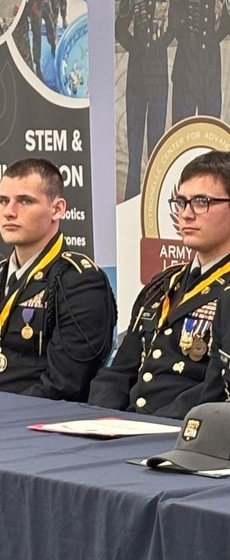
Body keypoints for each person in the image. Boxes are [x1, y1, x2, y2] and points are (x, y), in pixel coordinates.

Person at [88, 150, 230, 418]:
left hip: (185, 434)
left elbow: (217, 389)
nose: (186, 214)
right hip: (130, 429)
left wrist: (153, 424)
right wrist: (99, 417)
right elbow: (119, 371)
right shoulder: (164, 284)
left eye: (202, 202)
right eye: (181, 202)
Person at [0, 158, 116, 401]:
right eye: (3, 201)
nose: (9, 211)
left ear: (57, 209)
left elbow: (65, 385)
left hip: (38, 422)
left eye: (25, 201)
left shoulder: (80, 282)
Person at [115, 0, 175, 199]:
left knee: (156, 142)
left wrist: (162, 43)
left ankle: (155, 197)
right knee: (135, 142)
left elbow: (174, 23)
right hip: (138, 74)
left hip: (159, 73)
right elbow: (119, 26)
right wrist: (136, 47)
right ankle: (131, 198)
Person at [170, 0, 230, 123]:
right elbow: (175, 16)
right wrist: (190, 42)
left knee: (209, 127)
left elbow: (226, 22)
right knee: (182, 127)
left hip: (209, 70)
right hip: (186, 66)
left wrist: (211, 40)